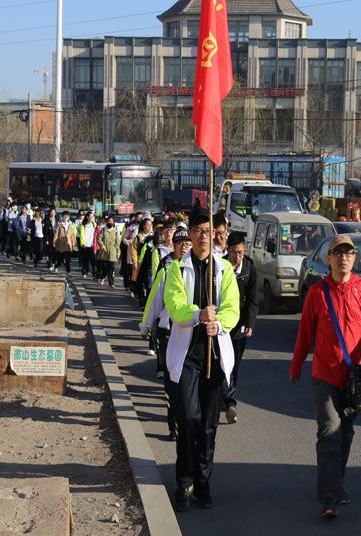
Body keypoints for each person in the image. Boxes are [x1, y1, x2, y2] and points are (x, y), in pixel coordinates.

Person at [290, 234, 361, 520]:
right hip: (324, 374)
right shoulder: (317, 293)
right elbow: (305, 333)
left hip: (354, 378)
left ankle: (336, 485)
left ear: (354, 258)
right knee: (329, 431)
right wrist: (296, 365)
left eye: (348, 253)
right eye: (337, 253)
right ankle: (327, 498)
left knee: (345, 432)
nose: (343, 257)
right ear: (328, 258)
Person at [163, 209, 240, 512]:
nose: (203, 236)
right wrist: (197, 315)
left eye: (208, 231)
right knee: (186, 418)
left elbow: (232, 308)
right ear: (190, 233)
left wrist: (218, 323)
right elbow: (175, 305)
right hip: (187, 356)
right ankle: (184, 482)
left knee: (208, 426)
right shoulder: (177, 269)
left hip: (215, 355)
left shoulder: (224, 270)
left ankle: (202, 483)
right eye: (197, 230)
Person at [140, 228, 192, 437]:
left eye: (187, 244)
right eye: (180, 244)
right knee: (172, 381)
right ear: (174, 246)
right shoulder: (166, 270)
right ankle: (174, 426)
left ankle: (187, 421)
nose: (184, 247)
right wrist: (145, 326)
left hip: (189, 333)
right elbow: (153, 301)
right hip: (168, 332)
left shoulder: (196, 270)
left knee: (187, 382)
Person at [220, 231, 258, 424]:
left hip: (240, 324)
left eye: (240, 252)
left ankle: (228, 399)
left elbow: (253, 300)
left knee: (234, 363)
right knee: (221, 361)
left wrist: (250, 323)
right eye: (234, 252)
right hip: (222, 323)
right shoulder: (220, 266)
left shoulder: (249, 267)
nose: (237, 256)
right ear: (228, 250)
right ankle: (227, 400)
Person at [97, 215, 121, 287]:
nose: (110, 223)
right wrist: (102, 246)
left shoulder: (116, 230)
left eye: (112, 221)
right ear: (107, 222)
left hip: (113, 252)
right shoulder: (103, 229)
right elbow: (99, 239)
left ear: (113, 222)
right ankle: (102, 277)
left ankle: (111, 283)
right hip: (104, 252)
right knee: (105, 268)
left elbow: (117, 242)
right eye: (109, 221)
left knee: (112, 268)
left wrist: (118, 252)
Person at [78, 212, 98, 278]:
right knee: (85, 260)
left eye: (93, 216)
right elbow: (82, 235)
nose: (92, 218)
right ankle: (84, 272)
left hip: (92, 245)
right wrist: (82, 243)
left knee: (93, 261)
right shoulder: (83, 225)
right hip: (85, 245)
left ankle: (94, 274)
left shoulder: (94, 224)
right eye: (91, 216)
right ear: (87, 217)